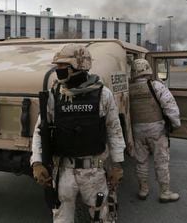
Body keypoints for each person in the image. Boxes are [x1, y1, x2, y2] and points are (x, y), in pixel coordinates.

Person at [31, 44, 126, 223]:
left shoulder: (103, 95)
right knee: (61, 219)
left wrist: (118, 165)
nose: (57, 71)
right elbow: (40, 130)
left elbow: (114, 130)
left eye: (62, 67)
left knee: (101, 216)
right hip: (63, 171)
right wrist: (36, 162)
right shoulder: (55, 94)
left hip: (94, 171)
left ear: (78, 67)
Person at [129, 58, 181, 203]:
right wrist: (175, 124)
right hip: (156, 131)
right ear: (147, 69)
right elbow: (170, 106)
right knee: (161, 161)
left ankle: (143, 190)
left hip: (137, 131)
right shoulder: (156, 86)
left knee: (141, 162)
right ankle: (165, 192)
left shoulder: (128, 88)